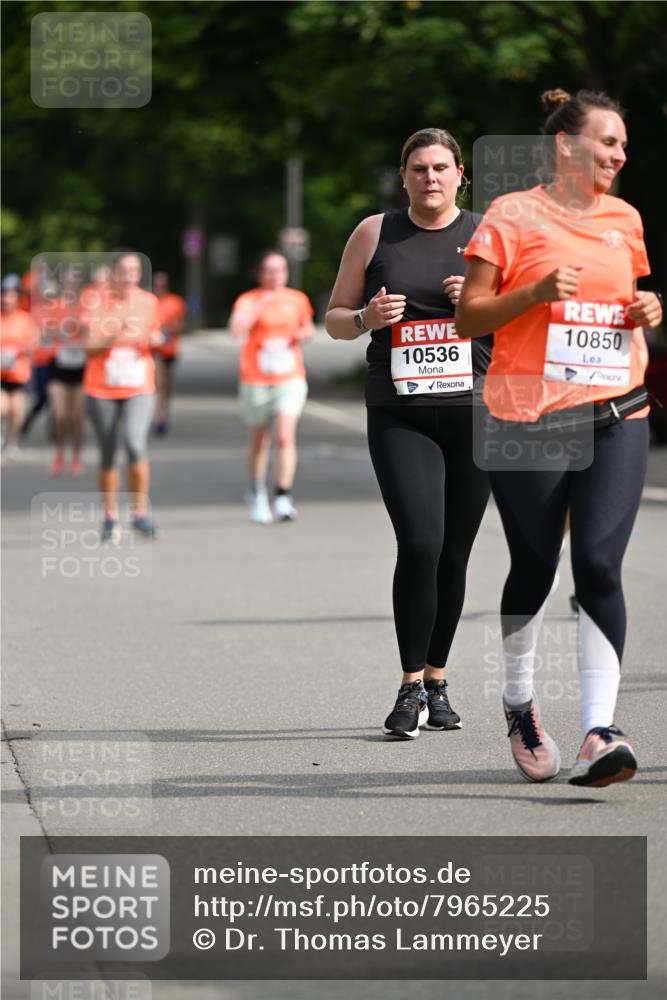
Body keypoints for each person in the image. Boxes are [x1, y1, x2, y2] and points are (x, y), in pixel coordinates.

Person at [456, 89, 663, 786]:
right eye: (608, 142)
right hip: (527, 418)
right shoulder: (513, 214)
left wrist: (646, 309)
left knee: (599, 566)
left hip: (616, 413)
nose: (619, 155)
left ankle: (597, 732)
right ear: (566, 146)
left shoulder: (623, 219)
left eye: (624, 146)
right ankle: (518, 701)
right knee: (536, 565)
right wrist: (535, 292)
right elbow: (468, 318)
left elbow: (624, 309)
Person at [325, 128, 493, 739]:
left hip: (474, 407)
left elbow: (523, 319)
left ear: (460, 175)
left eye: (441, 168)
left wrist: (477, 301)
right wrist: (367, 317)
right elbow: (334, 321)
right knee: (420, 542)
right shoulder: (375, 232)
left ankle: (439, 680)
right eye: (419, 168)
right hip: (400, 410)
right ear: (404, 177)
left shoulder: (487, 233)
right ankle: (408, 686)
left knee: (454, 552)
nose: (430, 178)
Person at [80, 252, 162, 540]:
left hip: (139, 385)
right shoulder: (95, 301)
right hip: (101, 386)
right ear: (114, 273)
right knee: (109, 451)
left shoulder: (148, 302)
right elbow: (88, 349)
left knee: (135, 443)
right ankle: (110, 516)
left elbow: (157, 335)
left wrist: (156, 339)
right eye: (124, 271)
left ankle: (139, 513)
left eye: (135, 271)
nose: (129, 277)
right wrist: (115, 333)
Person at [229, 251, 314, 523]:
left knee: (285, 437)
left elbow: (308, 329)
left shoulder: (297, 299)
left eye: (279, 270)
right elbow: (235, 330)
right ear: (260, 274)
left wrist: (299, 335)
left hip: (289, 377)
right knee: (260, 440)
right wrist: (260, 305)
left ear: (286, 273)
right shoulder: (248, 299)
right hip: (256, 378)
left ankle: (282, 495)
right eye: (269, 271)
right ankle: (257, 490)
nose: (274, 276)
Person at [44, 268, 86, 476]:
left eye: (75, 283)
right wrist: (59, 331)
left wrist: (80, 329)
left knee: (76, 417)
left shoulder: (86, 306)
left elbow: (93, 332)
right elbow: (44, 332)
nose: (71, 287)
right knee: (60, 415)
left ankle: (76, 458)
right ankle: (59, 453)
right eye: (68, 283)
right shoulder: (54, 306)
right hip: (59, 364)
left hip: (80, 366)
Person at [1, 274, 35, 460]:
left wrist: (19, 351)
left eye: (11, 295)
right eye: (4, 295)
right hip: (1, 374)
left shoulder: (25, 319)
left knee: (16, 410)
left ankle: (12, 442)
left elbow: (34, 344)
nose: (6, 299)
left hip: (19, 373)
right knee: (1, 407)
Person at [151, 271, 187, 435]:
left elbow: (181, 326)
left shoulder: (175, 302)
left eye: (162, 284)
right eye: (157, 284)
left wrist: (169, 327)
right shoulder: (149, 301)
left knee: (166, 386)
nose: (159, 287)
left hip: (170, 349)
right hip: (153, 350)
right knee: (158, 383)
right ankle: (159, 417)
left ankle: (163, 410)